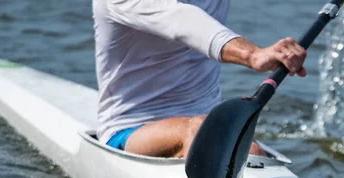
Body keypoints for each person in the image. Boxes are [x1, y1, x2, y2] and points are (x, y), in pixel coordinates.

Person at [93, 0, 307, 158]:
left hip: (207, 120)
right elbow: (180, 20)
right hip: (130, 130)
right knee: (206, 132)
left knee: (249, 151)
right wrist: (252, 54)